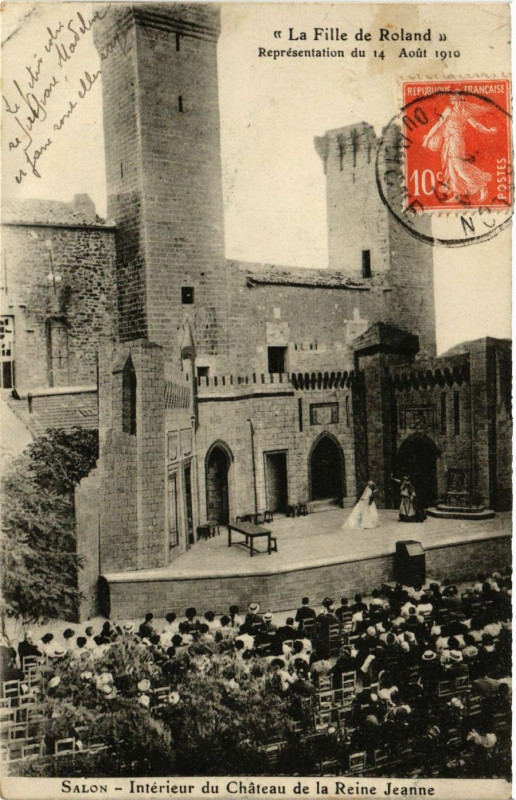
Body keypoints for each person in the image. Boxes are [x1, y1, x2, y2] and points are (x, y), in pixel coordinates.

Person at [422, 92, 497, 203]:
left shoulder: (451, 111)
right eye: (452, 99)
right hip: (451, 141)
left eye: (453, 98)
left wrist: (427, 139)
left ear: (458, 100)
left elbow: (438, 125)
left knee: (459, 168)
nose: (452, 100)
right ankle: (456, 194)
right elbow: (477, 125)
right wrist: (489, 130)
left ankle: (480, 186)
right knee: (451, 167)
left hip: (454, 141)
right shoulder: (463, 112)